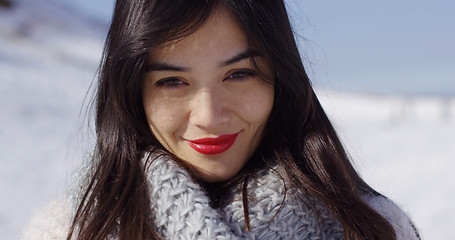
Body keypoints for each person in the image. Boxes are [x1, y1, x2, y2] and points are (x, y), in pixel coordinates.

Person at [22, 0, 421, 239]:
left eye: (239, 74)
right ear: (131, 93)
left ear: (281, 79)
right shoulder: (69, 232)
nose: (210, 116)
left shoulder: (374, 229)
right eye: (172, 81)